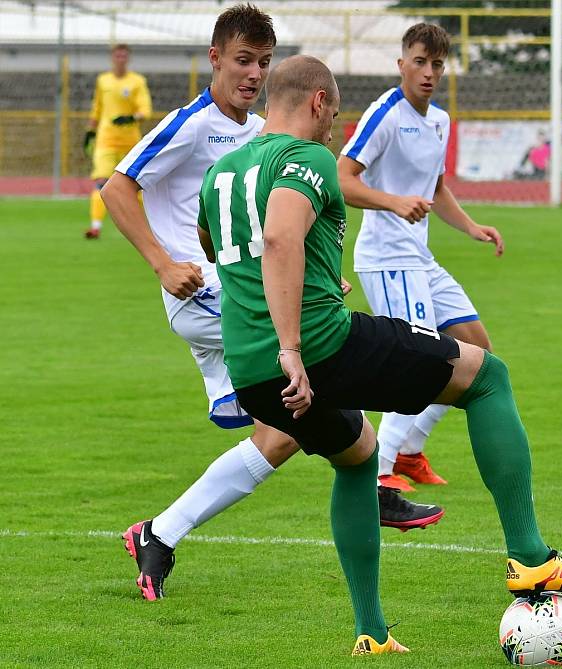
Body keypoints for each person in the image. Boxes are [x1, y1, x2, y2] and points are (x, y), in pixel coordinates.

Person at [197, 53, 562, 656]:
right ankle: (530, 558)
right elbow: (282, 235)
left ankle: (372, 632)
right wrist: (292, 343)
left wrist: (302, 286)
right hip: (316, 351)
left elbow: (217, 243)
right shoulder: (305, 158)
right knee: (487, 376)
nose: (334, 128)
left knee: (359, 457)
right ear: (316, 103)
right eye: (334, 114)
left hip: (252, 373)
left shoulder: (225, 171)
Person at [101, 4, 440, 603]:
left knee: (282, 429)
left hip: (243, 294)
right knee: (324, 366)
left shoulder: (263, 135)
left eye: (262, 62)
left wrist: (311, 282)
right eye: (242, 61)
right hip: (209, 295)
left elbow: (282, 224)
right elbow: (117, 186)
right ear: (214, 60)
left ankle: (160, 532)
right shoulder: (192, 124)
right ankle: (374, 486)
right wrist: (161, 262)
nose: (253, 74)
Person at [337, 24, 504, 492]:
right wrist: (393, 202)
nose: (428, 73)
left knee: (477, 350)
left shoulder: (440, 120)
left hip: (419, 257)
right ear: (401, 64)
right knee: (414, 361)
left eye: (436, 65)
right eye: (419, 62)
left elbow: (435, 188)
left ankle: (411, 452)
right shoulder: (384, 114)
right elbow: (343, 178)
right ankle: (381, 471)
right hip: (387, 259)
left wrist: (471, 227)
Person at [84, 44, 152, 239]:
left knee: (134, 186)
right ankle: (95, 226)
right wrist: (90, 130)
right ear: (112, 58)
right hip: (105, 140)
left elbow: (145, 110)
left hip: (131, 142)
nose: (120, 59)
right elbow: (97, 107)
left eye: (124, 56)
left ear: (127, 58)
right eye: (117, 55)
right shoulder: (103, 80)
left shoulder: (137, 81)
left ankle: (144, 228)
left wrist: (132, 118)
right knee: (101, 182)